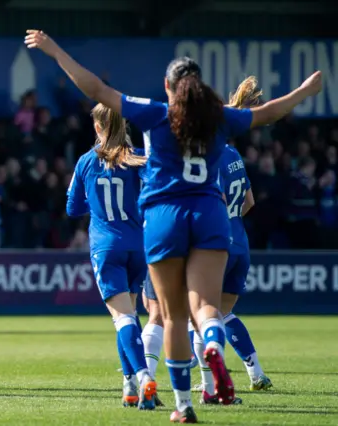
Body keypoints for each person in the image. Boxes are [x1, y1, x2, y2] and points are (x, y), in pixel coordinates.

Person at [25, 29, 322, 423]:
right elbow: (270, 112)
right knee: (207, 309)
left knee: (172, 315)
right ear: (200, 85)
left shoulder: (154, 113)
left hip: (164, 217)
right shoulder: (221, 120)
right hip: (211, 215)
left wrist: (53, 50)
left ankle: (183, 405)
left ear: (167, 86)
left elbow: (96, 89)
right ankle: (213, 346)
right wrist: (305, 89)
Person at [67, 103, 156, 410]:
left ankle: (144, 377)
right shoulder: (136, 159)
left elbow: (72, 208)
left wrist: (94, 203)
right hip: (138, 245)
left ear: (96, 127)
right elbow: (154, 192)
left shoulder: (86, 162)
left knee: (122, 319)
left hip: (106, 247)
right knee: (128, 315)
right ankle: (129, 386)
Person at [192, 77, 272, 399]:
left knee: (198, 313)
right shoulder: (235, 155)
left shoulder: (211, 158)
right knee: (223, 314)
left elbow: (217, 198)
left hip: (216, 246)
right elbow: (249, 201)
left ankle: (209, 382)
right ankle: (256, 372)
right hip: (241, 244)